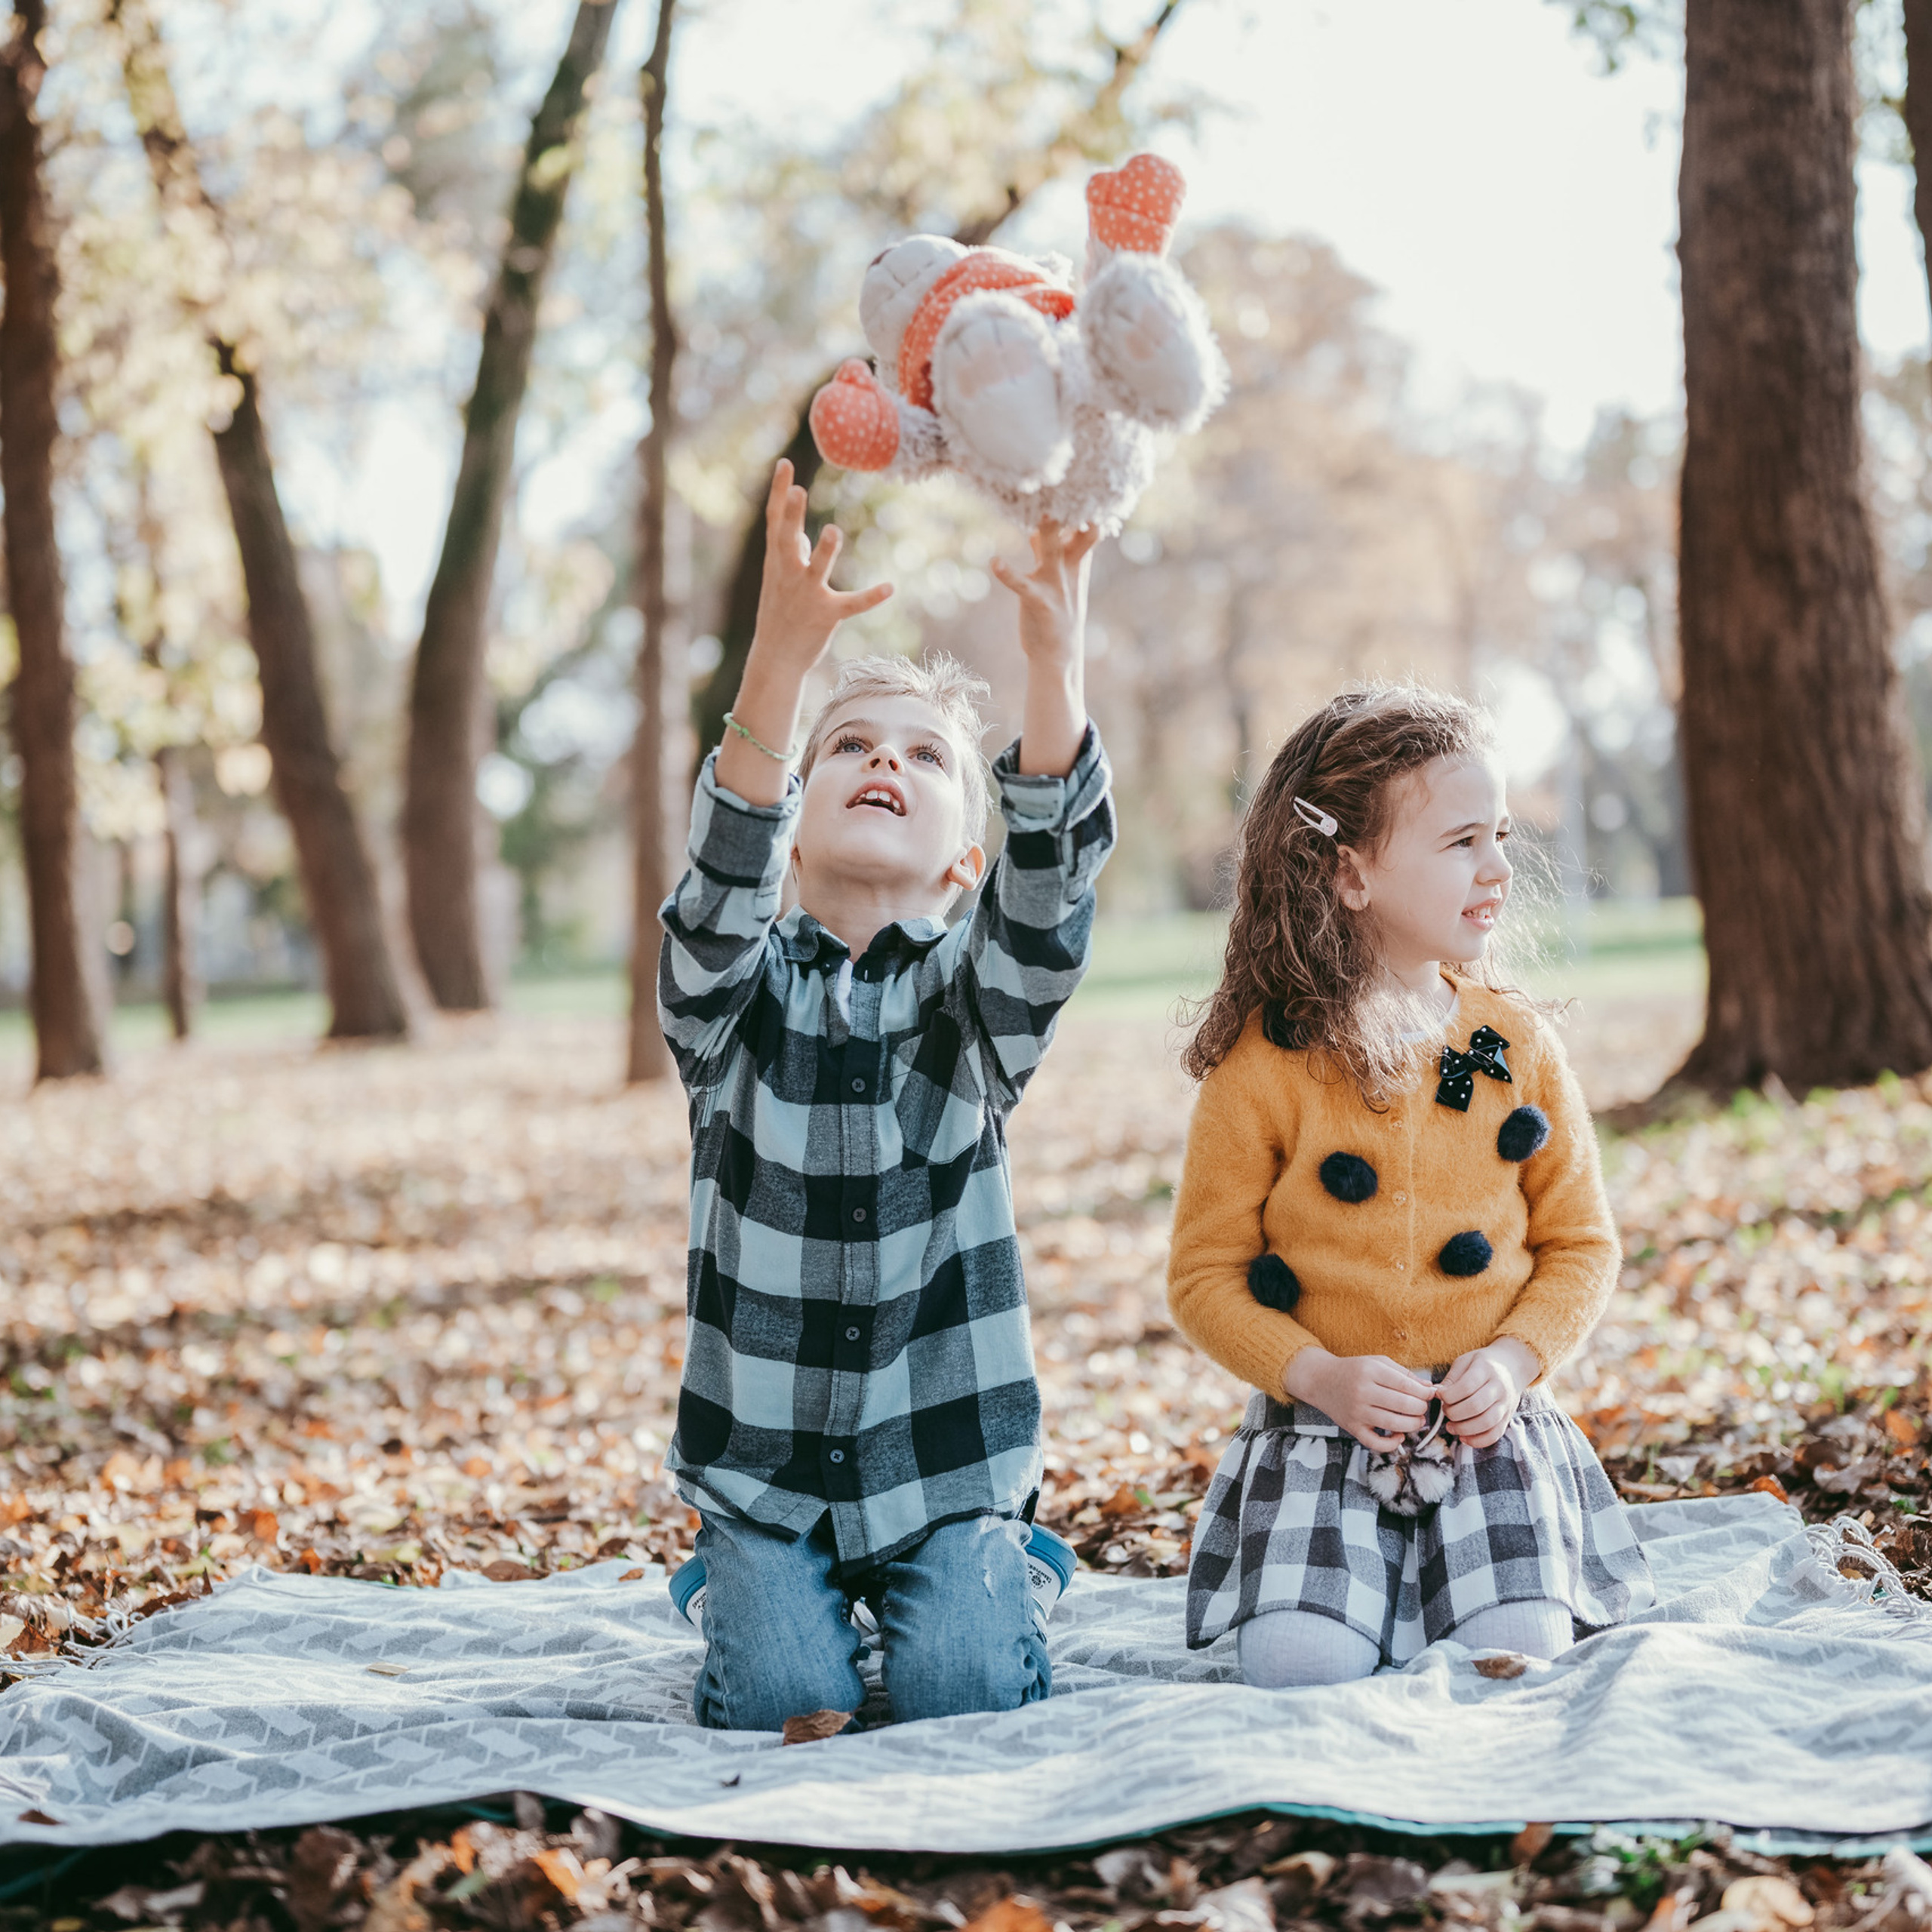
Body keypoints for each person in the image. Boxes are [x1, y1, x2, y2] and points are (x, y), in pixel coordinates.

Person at [657, 459, 1112, 1730]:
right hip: (766, 1477)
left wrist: (1055, 667)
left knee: (964, 1691)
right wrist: (780, 662)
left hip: (945, 1465)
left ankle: (1005, 1566)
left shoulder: (977, 1009)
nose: (885, 762)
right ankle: (735, 1580)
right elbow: (718, 885)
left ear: (964, 858)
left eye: (924, 756)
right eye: (851, 748)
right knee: (783, 1703)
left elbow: (1046, 901)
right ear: (794, 830)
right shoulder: (730, 1005)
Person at [1167, 684, 1654, 1687]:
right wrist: (1316, 1374)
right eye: (1462, 841)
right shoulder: (1263, 1065)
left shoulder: (1514, 1044)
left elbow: (1581, 1244)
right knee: (1300, 1671)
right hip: (1322, 1432)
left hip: (1488, 1435)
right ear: (1350, 873)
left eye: (1501, 835)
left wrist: (1514, 1362)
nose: (1499, 866)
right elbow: (1204, 1275)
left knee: (1517, 1658)